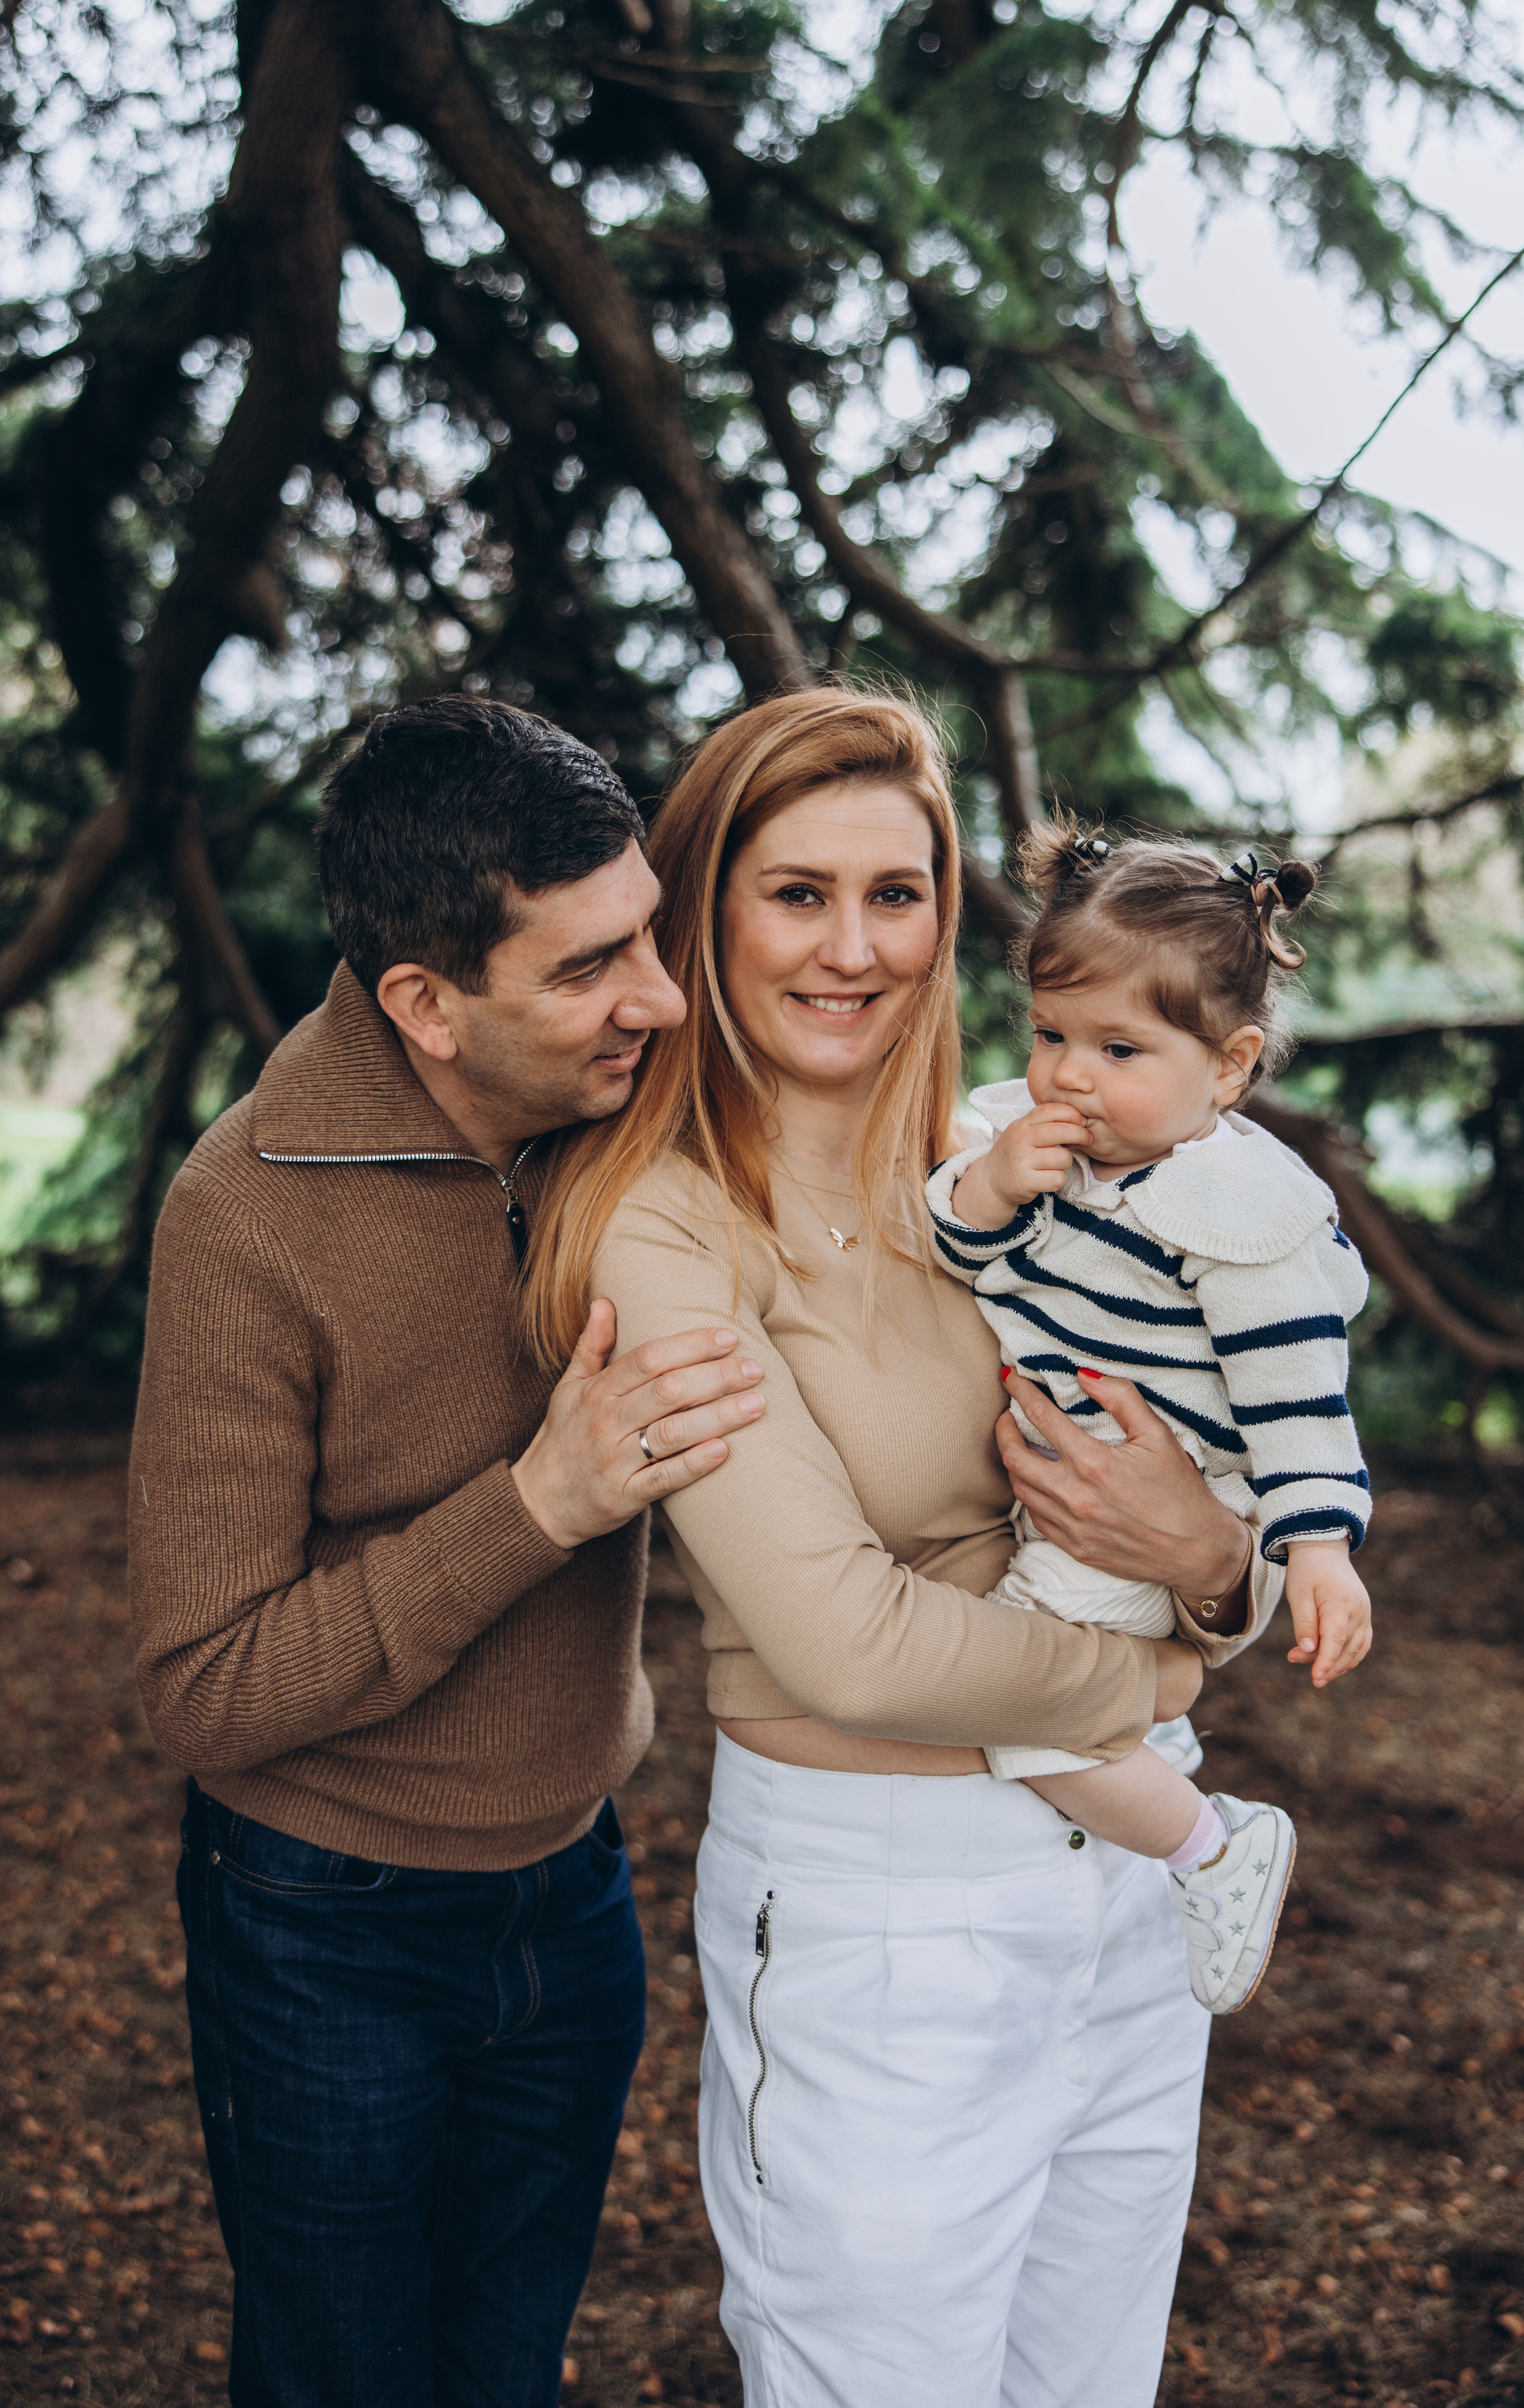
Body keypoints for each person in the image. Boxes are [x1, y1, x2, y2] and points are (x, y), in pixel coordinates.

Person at [525, 685, 1289, 2408]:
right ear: (706, 911)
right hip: (884, 1917)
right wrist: (1168, 1663)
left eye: (898, 892)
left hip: (1133, 1877)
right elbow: (846, 1642)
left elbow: (1204, 1498)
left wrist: (1214, 1561)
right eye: (797, 893)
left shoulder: (1020, 1160)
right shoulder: (660, 1223)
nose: (853, 947)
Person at [127, 697, 775, 2408]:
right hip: (323, 1919)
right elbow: (200, 1684)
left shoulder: (626, 1117)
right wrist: (537, 1503)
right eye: (588, 967)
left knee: (504, 2370)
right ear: (426, 1003)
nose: (659, 997)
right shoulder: (245, 1216)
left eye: (648, 932)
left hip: (576, 1887)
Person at [927, 825, 1374, 2014]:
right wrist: (992, 1184)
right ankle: (1167, 1781)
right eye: (1052, 1036)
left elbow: (1299, 1399)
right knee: (1050, 1700)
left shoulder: (1237, 1211)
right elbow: (957, 1249)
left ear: (1228, 1067)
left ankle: (1214, 1850)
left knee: (1027, 1718)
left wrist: (1319, 1548)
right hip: (1071, 1492)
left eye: (1119, 1048)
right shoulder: (1056, 1154)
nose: (1070, 1075)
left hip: (1147, 1501)